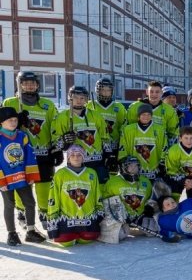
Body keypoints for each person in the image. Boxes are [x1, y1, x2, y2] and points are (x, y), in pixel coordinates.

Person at [3, 71, 58, 224]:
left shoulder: (48, 105)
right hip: (19, 154)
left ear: (37, 85)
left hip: (43, 152)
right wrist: (16, 123)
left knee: (44, 184)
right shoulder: (10, 102)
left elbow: (55, 127)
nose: (29, 85)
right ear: (19, 85)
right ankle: (21, 211)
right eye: (25, 82)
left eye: (32, 82)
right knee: (22, 184)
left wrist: (57, 148)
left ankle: (44, 212)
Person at [0, 107, 45, 245]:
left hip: (22, 177)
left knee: (30, 203)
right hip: (6, 179)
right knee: (9, 205)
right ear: (1, 123)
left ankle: (31, 231)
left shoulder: (22, 136)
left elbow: (30, 157)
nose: (13, 122)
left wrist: (31, 175)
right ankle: (11, 233)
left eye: (15, 120)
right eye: (10, 120)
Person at [51, 86, 112, 183]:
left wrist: (109, 156)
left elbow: (105, 137)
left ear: (86, 99)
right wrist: (64, 140)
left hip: (97, 160)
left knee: (101, 190)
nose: (79, 100)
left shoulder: (95, 115)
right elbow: (56, 142)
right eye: (75, 97)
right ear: (70, 98)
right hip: (76, 162)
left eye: (82, 98)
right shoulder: (62, 117)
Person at [46, 145, 104, 246]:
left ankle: (81, 233)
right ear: (68, 158)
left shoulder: (91, 173)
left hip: (87, 218)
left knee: (87, 240)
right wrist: (53, 216)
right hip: (66, 218)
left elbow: (97, 194)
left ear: (83, 157)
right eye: (72, 155)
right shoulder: (60, 174)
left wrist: (99, 211)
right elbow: (53, 196)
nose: (76, 158)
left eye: (79, 155)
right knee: (66, 243)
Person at [101, 156, 158, 237]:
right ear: (123, 167)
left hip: (139, 216)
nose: (134, 168)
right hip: (120, 218)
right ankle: (126, 229)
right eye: (130, 165)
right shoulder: (112, 182)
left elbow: (150, 200)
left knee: (152, 229)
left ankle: (135, 229)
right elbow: (106, 202)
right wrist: (118, 215)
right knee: (120, 235)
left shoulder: (145, 181)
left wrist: (148, 211)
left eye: (136, 165)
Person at [87, 78, 126, 174]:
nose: (105, 93)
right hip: (95, 148)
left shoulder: (118, 107)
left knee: (112, 174)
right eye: (103, 90)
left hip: (113, 147)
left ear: (112, 91)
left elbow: (123, 127)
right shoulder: (89, 105)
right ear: (97, 91)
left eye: (108, 90)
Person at [119, 104, 167, 180]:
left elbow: (164, 148)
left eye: (148, 114)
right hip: (133, 170)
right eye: (143, 114)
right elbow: (123, 148)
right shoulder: (128, 130)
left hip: (153, 170)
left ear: (151, 116)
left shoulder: (160, 130)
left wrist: (162, 164)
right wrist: (124, 161)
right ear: (138, 116)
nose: (146, 117)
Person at [127, 81, 180, 145]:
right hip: (138, 145)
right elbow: (128, 129)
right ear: (147, 92)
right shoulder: (135, 107)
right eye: (151, 91)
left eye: (157, 92)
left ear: (161, 93)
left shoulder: (169, 110)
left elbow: (173, 133)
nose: (154, 94)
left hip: (159, 147)